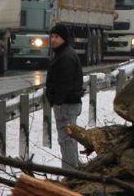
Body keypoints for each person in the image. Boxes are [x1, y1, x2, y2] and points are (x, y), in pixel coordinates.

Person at [44, 24, 83, 169]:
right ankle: (73, 169)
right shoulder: (64, 54)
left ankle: (69, 173)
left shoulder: (65, 57)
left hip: (66, 105)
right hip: (67, 104)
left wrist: (58, 102)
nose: (53, 40)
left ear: (64, 38)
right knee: (69, 139)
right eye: (52, 36)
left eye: (57, 37)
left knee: (66, 140)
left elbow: (65, 82)